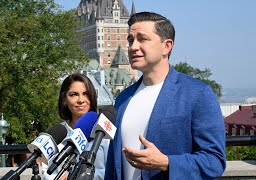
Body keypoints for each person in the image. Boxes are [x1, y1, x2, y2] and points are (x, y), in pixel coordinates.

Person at [104, 12, 226, 180]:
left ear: (167, 46)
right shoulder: (123, 98)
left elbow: (214, 161)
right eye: (131, 40)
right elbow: (113, 164)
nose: (133, 47)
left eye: (142, 39)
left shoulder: (197, 94)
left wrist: (166, 163)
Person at [42, 73, 109, 180]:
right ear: (64, 99)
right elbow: (47, 171)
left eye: (86, 94)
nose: (81, 100)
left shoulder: (103, 133)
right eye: (74, 94)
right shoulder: (57, 133)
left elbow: (112, 170)